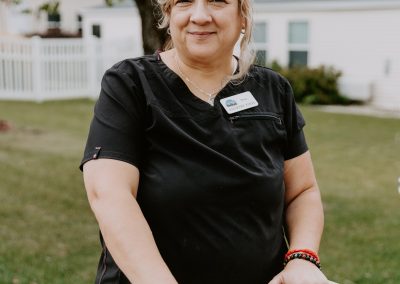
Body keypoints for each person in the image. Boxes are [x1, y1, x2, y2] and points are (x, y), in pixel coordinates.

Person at [80, 0, 328, 283]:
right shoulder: (130, 84)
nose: (199, 16)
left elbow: (302, 191)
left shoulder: (274, 90)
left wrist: (302, 258)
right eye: (184, 2)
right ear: (169, 14)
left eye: (217, 2)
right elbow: (109, 196)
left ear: (243, 16)